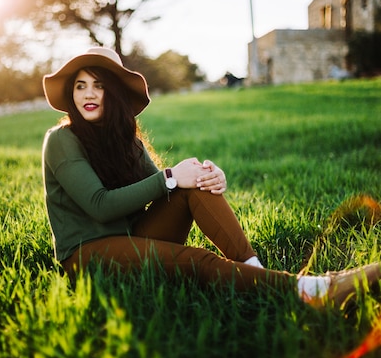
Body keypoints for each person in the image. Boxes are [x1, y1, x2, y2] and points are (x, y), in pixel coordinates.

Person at [42, 47, 381, 308]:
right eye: (80, 86)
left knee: (195, 183)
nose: (87, 94)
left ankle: (258, 274)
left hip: (134, 238)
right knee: (198, 261)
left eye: (98, 86)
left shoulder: (125, 139)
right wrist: (173, 176)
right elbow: (100, 206)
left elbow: (165, 186)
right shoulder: (61, 140)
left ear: (113, 92)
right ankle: (312, 290)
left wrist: (206, 177)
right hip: (88, 258)